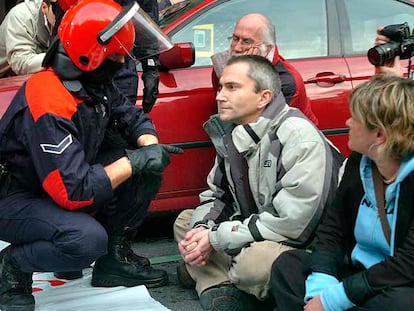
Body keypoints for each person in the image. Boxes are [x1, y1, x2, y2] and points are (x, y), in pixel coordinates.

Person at [0, 1, 182, 310]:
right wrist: (133, 161)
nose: (123, 60)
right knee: (85, 241)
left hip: (53, 183)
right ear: (93, 54)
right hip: (16, 196)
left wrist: (148, 147)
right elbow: (73, 191)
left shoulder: (94, 81)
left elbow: (133, 118)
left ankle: (114, 260)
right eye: (117, 55)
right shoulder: (49, 95)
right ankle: (13, 267)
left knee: (145, 166)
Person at [173, 55, 344, 311]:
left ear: (263, 97)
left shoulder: (297, 136)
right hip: (256, 229)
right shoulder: (234, 133)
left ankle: (210, 274)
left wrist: (216, 239)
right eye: (221, 87)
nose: (220, 96)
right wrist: (203, 230)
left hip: (304, 244)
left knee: (253, 264)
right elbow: (218, 195)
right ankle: (221, 286)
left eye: (232, 87)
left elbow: (294, 225)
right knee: (186, 223)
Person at [270, 75, 414, 311]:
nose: (347, 122)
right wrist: (321, 280)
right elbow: (332, 227)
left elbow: (408, 264)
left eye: (355, 118)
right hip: (354, 270)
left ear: (379, 135)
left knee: (401, 304)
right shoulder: (360, 162)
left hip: (395, 282)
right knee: (289, 265)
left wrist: (334, 299)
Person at [211, 13, 318, 125]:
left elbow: (264, 130)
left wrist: (247, 69)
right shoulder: (223, 66)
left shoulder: (286, 81)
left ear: (267, 48)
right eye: (235, 39)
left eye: (247, 42)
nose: (237, 48)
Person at [0, 0, 57, 78]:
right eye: (59, 10)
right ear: (44, 7)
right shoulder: (20, 16)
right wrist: (56, 58)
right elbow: (20, 62)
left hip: (23, 75)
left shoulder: (58, 19)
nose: (64, 15)